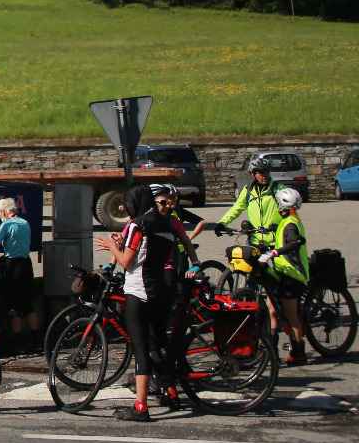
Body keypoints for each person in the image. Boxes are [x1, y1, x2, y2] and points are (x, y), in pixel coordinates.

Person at [96, 185, 197, 422]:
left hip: (139, 292)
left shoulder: (137, 224)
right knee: (157, 344)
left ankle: (140, 406)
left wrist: (112, 247)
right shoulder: (166, 223)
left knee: (141, 350)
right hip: (161, 292)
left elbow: (127, 262)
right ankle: (171, 392)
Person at [260, 187, 310, 365]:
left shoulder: (290, 224)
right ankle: (272, 352)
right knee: (272, 310)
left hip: (292, 276)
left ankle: (298, 354)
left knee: (291, 316)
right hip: (282, 273)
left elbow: (293, 242)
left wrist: (274, 252)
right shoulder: (289, 220)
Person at [0, 198, 41, 353]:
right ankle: (36, 340)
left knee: (14, 307)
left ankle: (17, 343)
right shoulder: (25, 223)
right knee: (28, 305)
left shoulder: (6, 224)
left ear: (4, 211)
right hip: (26, 264)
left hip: (12, 266)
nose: (0, 216)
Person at [217, 159, 284, 249]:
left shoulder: (278, 189)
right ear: (253, 174)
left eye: (266, 172)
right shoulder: (248, 190)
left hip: (277, 241)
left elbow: (291, 207)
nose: (265, 175)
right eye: (260, 173)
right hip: (255, 240)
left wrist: (280, 225)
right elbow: (236, 208)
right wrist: (222, 223)